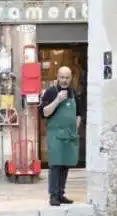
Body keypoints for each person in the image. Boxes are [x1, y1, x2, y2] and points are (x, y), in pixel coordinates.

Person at [40, 66, 83, 206]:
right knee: (55, 164)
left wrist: (75, 128)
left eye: (67, 78)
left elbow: (78, 114)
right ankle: (53, 195)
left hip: (70, 135)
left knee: (66, 164)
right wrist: (57, 100)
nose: (64, 80)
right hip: (56, 135)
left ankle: (61, 194)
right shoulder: (51, 92)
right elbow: (44, 113)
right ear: (57, 77)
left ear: (71, 78)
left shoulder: (74, 93)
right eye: (62, 77)